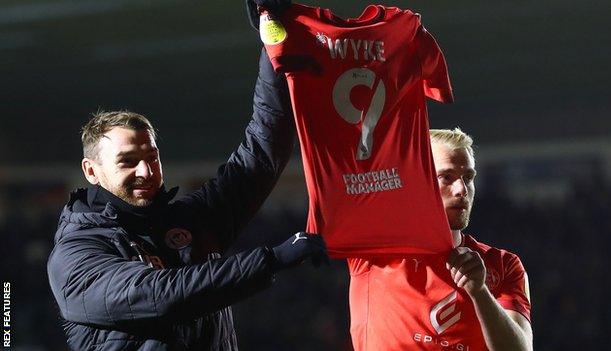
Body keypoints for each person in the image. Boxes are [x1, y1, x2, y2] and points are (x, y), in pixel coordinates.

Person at [46, 9, 327, 350]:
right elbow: (164, 295)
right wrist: (270, 259)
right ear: (92, 171)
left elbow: (262, 154)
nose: (146, 172)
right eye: (128, 162)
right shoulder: (77, 254)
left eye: (152, 157)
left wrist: (273, 41)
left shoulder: (189, 221)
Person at [348, 128, 532, 351]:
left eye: (468, 178)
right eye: (447, 177)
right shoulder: (373, 247)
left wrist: (480, 292)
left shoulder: (503, 264)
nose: (462, 189)